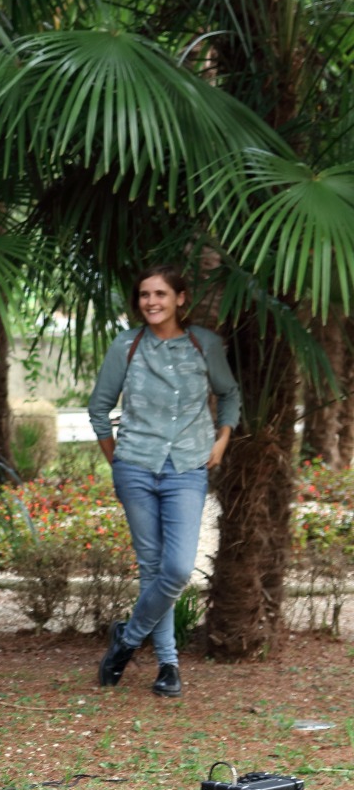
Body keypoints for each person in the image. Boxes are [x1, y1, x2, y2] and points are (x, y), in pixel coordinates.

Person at [90, 265, 240, 697]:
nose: (151, 302)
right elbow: (99, 408)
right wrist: (116, 460)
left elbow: (229, 393)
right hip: (135, 468)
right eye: (144, 295)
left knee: (175, 569)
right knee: (153, 568)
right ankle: (169, 667)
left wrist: (223, 439)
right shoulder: (127, 345)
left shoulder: (204, 344)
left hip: (187, 469)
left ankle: (128, 640)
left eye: (160, 294)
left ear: (180, 298)